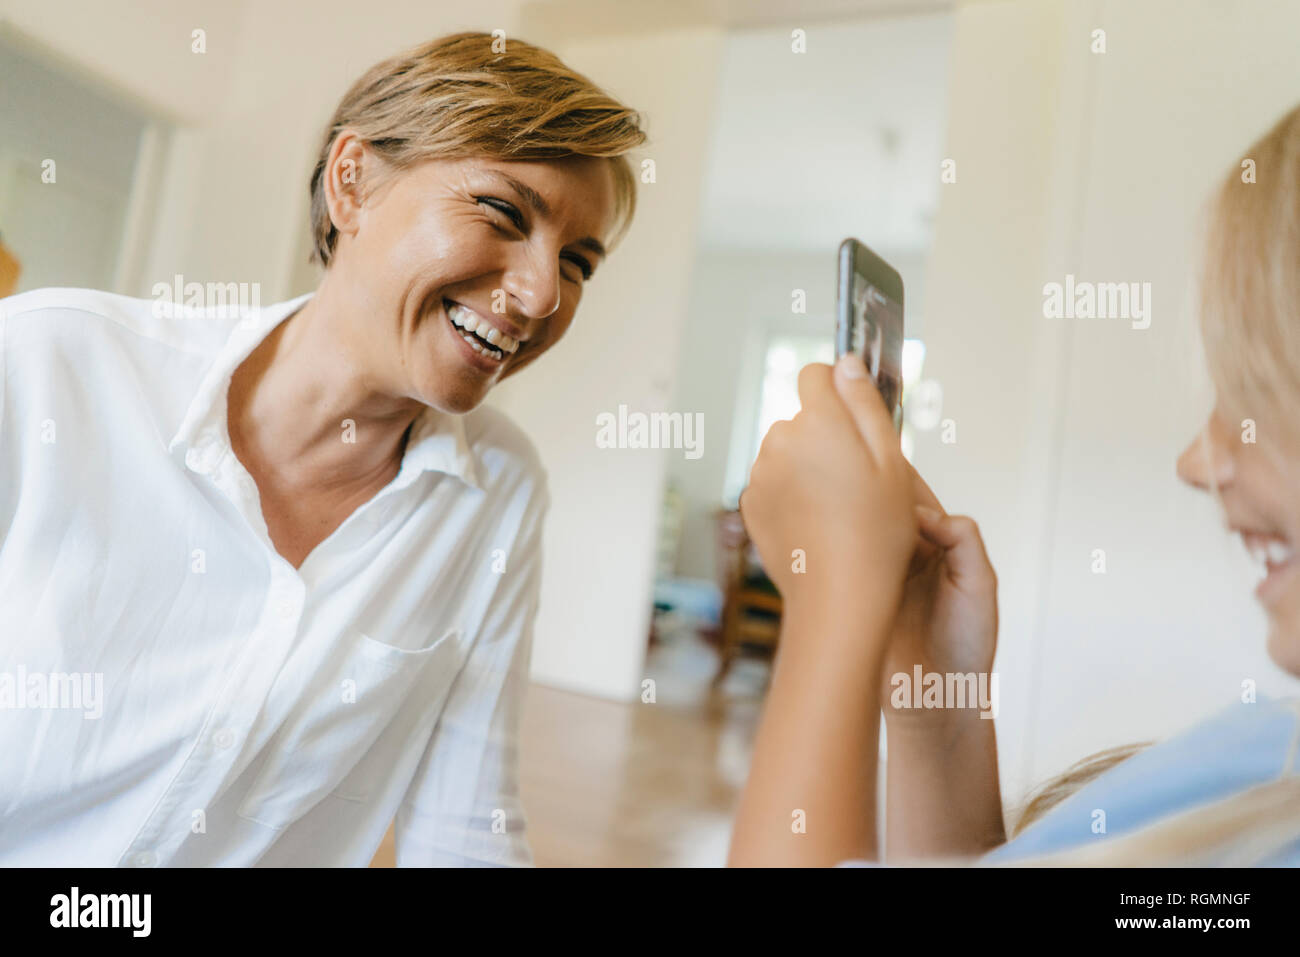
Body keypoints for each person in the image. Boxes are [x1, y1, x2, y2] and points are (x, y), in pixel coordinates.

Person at [0, 32, 645, 867]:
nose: (542, 292)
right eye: (503, 212)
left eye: (578, 263)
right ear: (353, 182)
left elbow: (463, 826)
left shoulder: (501, 489)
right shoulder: (48, 363)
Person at [728, 104, 1300, 868]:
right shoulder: (1268, 752)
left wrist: (829, 600)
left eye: (1250, 388)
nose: (1197, 462)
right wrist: (937, 692)